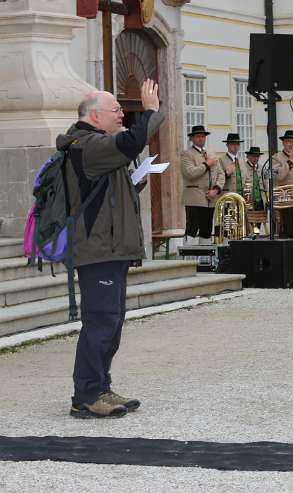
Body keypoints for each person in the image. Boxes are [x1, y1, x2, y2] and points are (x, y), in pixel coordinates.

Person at [59, 79, 164, 418]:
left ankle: (100, 386)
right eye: (116, 110)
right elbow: (132, 141)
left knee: (111, 322)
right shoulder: (85, 144)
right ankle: (86, 396)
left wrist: (134, 181)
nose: (122, 114)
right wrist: (150, 111)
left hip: (112, 247)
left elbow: (112, 187)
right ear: (94, 116)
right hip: (98, 248)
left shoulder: (95, 144)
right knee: (101, 322)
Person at [181, 125, 224, 245]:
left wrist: (216, 190)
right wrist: (207, 164)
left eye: (203, 136)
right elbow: (190, 173)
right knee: (192, 229)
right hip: (194, 198)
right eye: (198, 136)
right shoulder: (186, 154)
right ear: (192, 139)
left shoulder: (211, 153)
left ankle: (204, 260)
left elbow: (221, 174)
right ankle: (188, 259)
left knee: (206, 230)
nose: (201, 139)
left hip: (210, 198)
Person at [218, 133, 245, 197]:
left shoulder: (242, 161)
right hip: (228, 197)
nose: (235, 146)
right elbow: (217, 180)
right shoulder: (220, 160)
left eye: (237, 144)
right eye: (233, 144)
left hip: (241, 197)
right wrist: (226, 174)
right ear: (227, 145)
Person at [244, 146, 265, 211]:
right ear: (248, 156)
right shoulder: (243, 167)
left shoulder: (262, 167)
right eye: (253, 156)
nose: (256, 158)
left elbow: (266, 183)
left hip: (261, 201)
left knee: (261, 220)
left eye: (257, 156)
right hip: (248, 201)